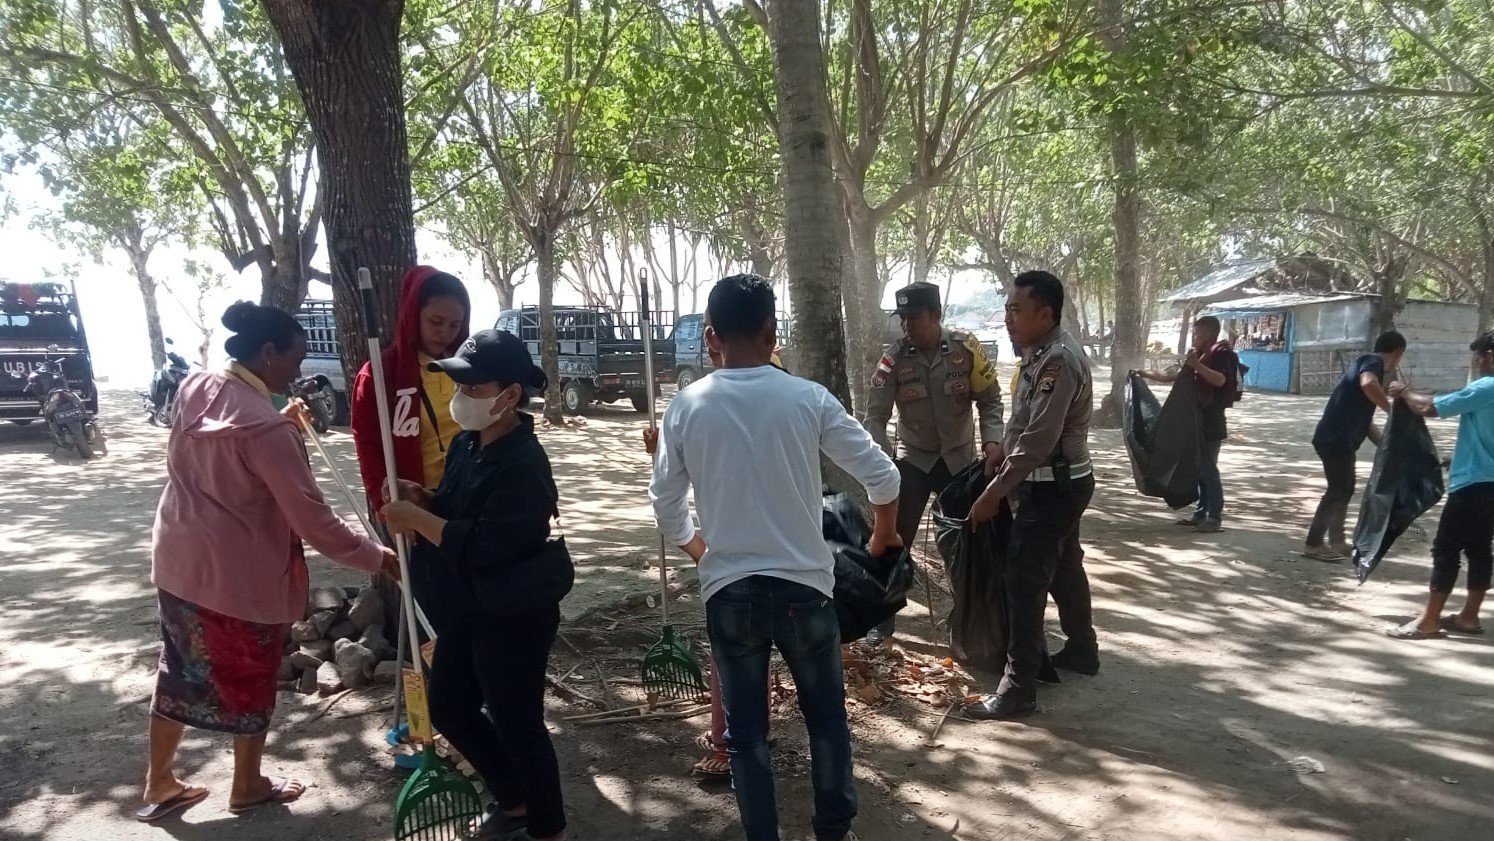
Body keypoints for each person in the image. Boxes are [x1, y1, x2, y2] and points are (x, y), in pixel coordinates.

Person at [650, 274, 901, 841]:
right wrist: (882, 537)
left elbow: (665, 503)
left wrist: (700, 551)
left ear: (711, 337)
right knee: (826, 720)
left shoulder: (687, 407)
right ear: (772, 332)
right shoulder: (806, 398)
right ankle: (833, 829)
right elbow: (883, 477)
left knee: (746, 735)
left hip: (730, 595)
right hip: (806, 592)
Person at [139, 302, 397, 823]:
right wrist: (377, 556)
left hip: (179, 561)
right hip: (238, 577)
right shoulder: (266, 431)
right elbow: (314, 523)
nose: (298, 372)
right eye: (294, 360)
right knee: (252, 676)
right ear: (267, 352)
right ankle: (248, 784)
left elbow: (225, 440)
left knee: (180, 670)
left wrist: (280, 420)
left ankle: (160, 781)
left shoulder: (195, 387)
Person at [381, 329, 571, 841]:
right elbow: (455, 506)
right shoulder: (469, 443)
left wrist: (418, 522)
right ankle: (512, 799)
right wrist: (421, 497)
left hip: (514, 613)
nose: (460, 398)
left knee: (518, 720)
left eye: (473, 388)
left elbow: (487, 543)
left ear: (508, 397)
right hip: (468, 606)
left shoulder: (525, 465)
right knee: (450, 706)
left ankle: (548, 827)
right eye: (457, 386)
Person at [964, 270, 1095, 720]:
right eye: (1006, 309)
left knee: (1024, 579)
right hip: (1060, 481)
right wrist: (1000, 447)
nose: (1008, 318)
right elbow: (1025, 419)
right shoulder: (1039, 356)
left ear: (1046, 313)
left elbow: (1039, 440)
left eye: (1016, 310)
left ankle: (1018, 688)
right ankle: (1083, 648)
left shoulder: (1059, 361)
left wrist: (994, 494)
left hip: (1053, 487)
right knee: (1064, 566)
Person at [861, 281, 1003, 645]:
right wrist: (884, 458)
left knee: (966, 540)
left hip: (959, 462)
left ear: (936, 315)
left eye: (914, 318)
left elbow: (990, 399)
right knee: (893, 540)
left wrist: (993, 440)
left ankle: (970, 617)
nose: (906, 325)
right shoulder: (893, 358)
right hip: (913, 462)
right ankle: (884, 617)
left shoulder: (965, 350)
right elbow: (874, 415)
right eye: (903, 318)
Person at [1384, 331, 1494, 640]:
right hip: (1488, 482)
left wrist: (1404, 391)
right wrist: (1455, 458)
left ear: (1490, 356)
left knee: (1446, 548)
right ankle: (1469, 617)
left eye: (1480, 356)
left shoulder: (1487, 386)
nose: (1477, 362)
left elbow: (1430, 407)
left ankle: (1428, 621)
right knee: (1479, 549)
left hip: (1473, 484)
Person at [351, 266, 472, 515]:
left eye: (455, 325)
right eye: (435, 321)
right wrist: (384, 502)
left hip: (474, 497)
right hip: (419, 508)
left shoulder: (470, 367)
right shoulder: (380, 374)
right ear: (414, 313)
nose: (445, 333)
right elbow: (369, 447)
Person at [1303, 331, 1405, 561]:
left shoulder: (1364, 365)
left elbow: (1366, 422)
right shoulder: (1373, 362)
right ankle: (1314, 543)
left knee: (1345, 488)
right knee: (1338, 489)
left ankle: (1337, 541)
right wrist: (1392, 411)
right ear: (1398, 353)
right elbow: (1368, 383)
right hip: (1335, 439)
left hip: (1336, 439)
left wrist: (1386, 445)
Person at [1137, 316, 1239, 533]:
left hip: (1210, 422)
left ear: (1211, 333)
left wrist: (1196, 365)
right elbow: (1177, 376)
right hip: (1194, 421)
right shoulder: (1200, 355)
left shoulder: (1222, 354)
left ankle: (1215, 516)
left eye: (1197, 333)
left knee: (1208, 469)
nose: (1194, 336)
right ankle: (1201, 513)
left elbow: (1220, 380)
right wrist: (1145, 375)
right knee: (1200, 470)